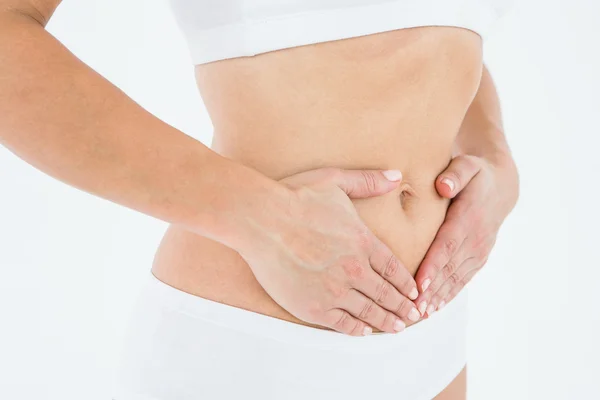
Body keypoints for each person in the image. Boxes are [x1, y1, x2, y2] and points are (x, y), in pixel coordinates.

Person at [0, 0, 519, 399]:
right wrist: (263, 218)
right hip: (254, 346)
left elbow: (439, 40)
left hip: (434, 343)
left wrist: (495, 159)